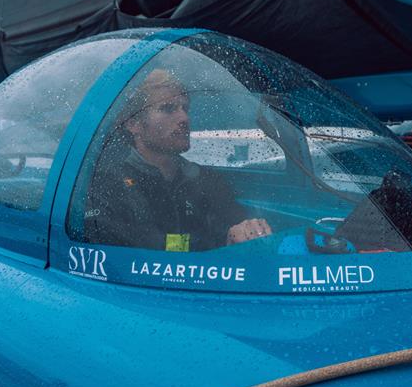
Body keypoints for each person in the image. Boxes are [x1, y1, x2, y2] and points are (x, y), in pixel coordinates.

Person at [83, 69, 272, 251]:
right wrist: (215, 243)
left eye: (185, 108)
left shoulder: (207, 178)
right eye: (168, 109)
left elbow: (234, 224)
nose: (184, 118)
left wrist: (248, 231)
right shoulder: (109, 186)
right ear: (134, 124)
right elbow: (145, 247)